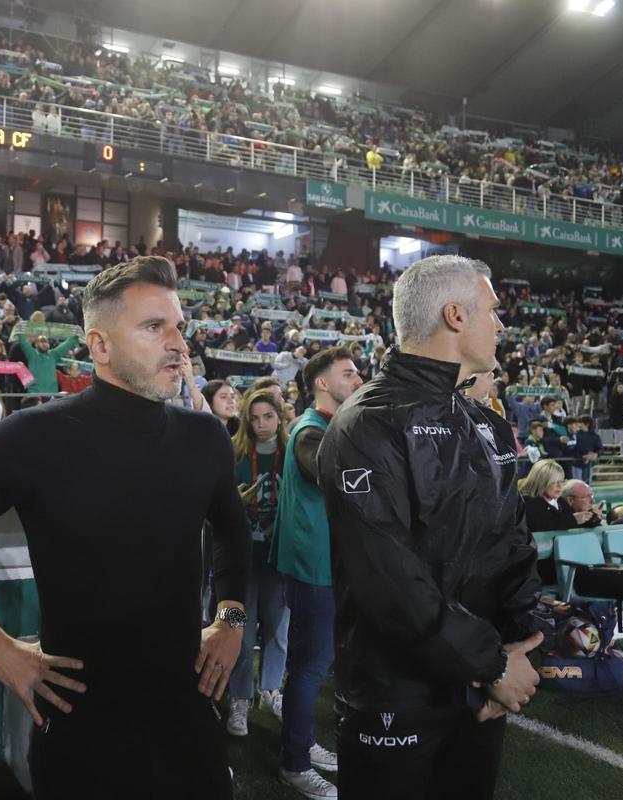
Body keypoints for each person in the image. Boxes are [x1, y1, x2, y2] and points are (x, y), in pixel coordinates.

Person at [0, 256, 250, 799]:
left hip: (188, 721)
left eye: (178, 327)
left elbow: (234, 532)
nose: (178, 344)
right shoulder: (33, 438)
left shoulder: (204, 436)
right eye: (154, 327)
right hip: (81, 728)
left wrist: (230, 619)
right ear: (100, 346)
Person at [319, 255, 543, 800]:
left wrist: (521, 641)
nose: (501, 324)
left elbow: (511, 541)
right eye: (493, 310)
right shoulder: (365, 426)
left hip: (481, 687)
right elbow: (391, 584)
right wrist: (492, 664)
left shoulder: (486, 423)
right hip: (397, 696)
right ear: (455, 316)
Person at [268, 346, 362, 798]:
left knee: (314, 664)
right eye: (348, 373)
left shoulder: (326, 427)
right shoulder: (310, 430)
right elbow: (331, 473)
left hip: (325, 565)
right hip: (314, 568)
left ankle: (303, 743)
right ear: (321, 383)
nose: (358, 379)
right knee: (309, 668)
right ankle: (294, 763)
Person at [224, 391, 290, 739]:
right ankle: (239, 697)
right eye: (255, 417)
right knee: (239, 630)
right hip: (240, 561)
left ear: (279, 417)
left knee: (279, 629)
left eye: (268, 416)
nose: (262, 423)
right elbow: (216, 505)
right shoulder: (234, 453)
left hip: (280, 560)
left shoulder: (294, 452)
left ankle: (271, 690)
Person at [519, 459, 579, 532]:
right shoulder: (527, 503)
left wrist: (590, 519)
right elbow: (545, 525)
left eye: (561, 481)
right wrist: (574, 520)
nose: (559, 486)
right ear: (541, 481)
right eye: (554, 482)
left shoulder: (561, 502)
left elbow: (574, 523)